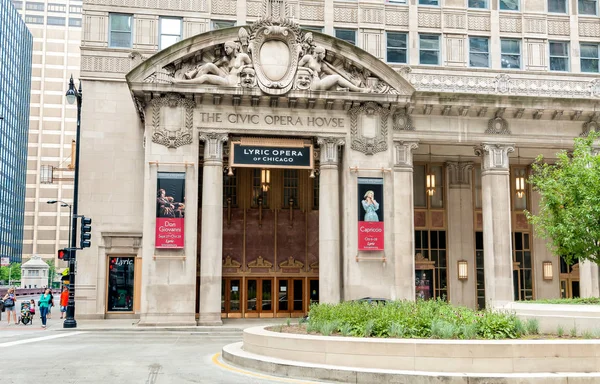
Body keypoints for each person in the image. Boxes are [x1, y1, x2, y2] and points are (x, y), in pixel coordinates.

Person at [298, 46, 369, 92]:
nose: (324, 55)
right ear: (317, 53)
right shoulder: (308, 58)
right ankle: (359, 90)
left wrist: (347, 77)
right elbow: (295, 67)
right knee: (337, 78)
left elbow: (333, 73)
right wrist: (308, 70)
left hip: (318, 84)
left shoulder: (322, 65)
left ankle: (357, 89)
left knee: (337, 77)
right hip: (310, 85)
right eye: (323, 53)